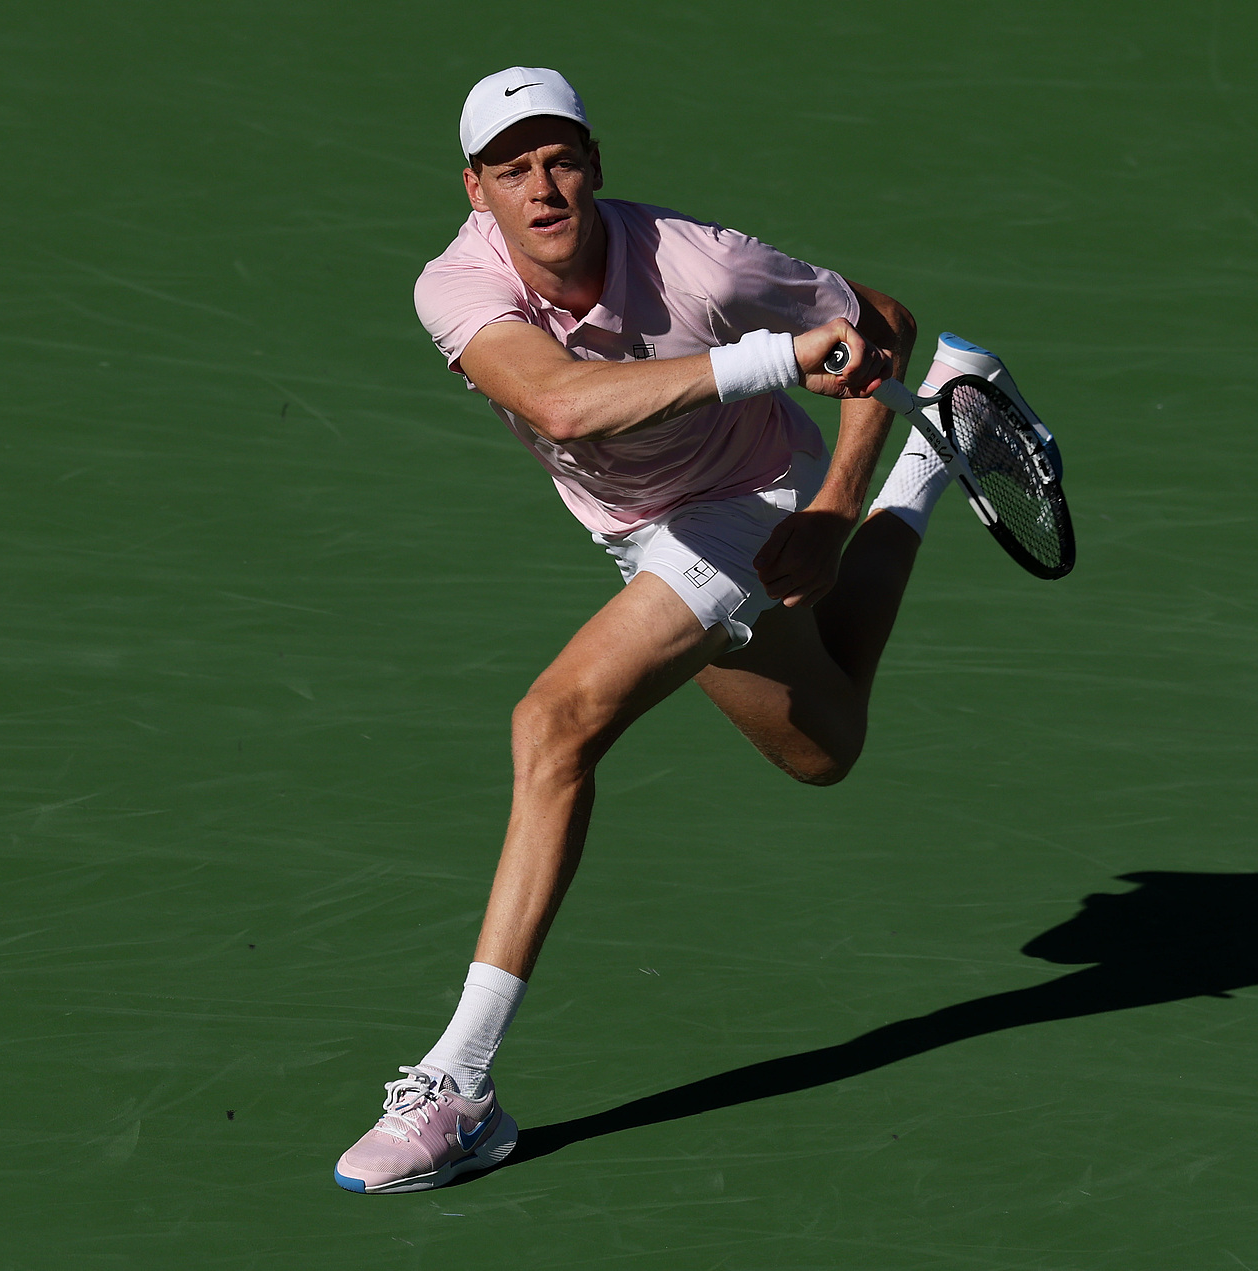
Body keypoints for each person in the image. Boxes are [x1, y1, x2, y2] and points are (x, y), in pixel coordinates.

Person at [334, 67, 964, 1193]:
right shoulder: (455, 285)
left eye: (560, 159)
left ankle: (458, 1087)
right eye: (512, 168)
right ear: (475, 189)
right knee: (822, 747)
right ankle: (938, 448)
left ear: (595, 166)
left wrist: (829, 506)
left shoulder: (704, 265)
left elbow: (880, 326)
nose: (542, 187)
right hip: (643, 533)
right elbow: (559, 402)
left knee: (555, 721)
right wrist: (786, 371)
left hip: (752, 496)